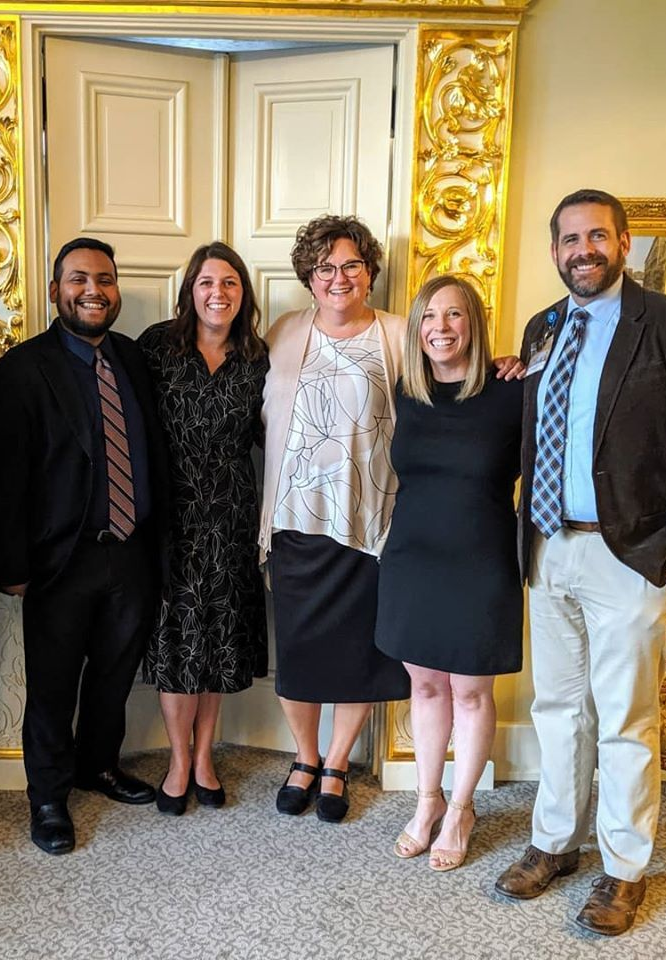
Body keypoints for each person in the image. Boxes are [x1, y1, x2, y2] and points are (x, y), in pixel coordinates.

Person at [494, 189, 666, 936]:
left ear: (624, 244)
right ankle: (555, 840)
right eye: (569, 239)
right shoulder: (543, 327)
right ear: (555, 251)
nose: (583, 250)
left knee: (626, 717)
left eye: (597, 236)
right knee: (558, 708)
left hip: (631, 553)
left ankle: (624, 868)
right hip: (548, 546)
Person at [259, 216, 521, 823]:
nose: (339, 277)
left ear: (370, 272)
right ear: (308, 276)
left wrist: (504, 362)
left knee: (357, 651)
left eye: (351, 265)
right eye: (325, 267)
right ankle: (304, 756)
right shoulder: (283, 331)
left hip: (370, 519)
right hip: (296, 515)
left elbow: (454, 383)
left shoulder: (401, 333)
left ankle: (338, 763)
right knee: (296, 650)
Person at [0, 237, 169, 855]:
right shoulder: (21, 369)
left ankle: (100, 766)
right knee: (53, 685)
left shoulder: (134, 359)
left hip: (132, 552)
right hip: (59, 560)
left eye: (105, 279)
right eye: (79, 279)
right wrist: (11, 565)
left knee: (114, 676)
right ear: (55, 290)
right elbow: (5, 479)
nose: (94, 290)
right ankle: (48, 798)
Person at [375, 275, 523, 870]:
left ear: (474, 323)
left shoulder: (513, 391)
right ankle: (427, 800)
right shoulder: (406, 392)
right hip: (413, 557)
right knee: (426, 686)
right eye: (430, 316)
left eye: (454, 314)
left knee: (471, 690)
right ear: (417, 328)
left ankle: (462, 808)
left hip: (482, 559)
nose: (441, 327)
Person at [137, 242, 269, 814]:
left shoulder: (259, 357)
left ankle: (205, 756)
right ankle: (177, 759)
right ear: (190, 290)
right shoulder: (156, 347)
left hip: (233, 516)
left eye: (230, 283)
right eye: (207, 282)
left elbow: (280, 429)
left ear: (243, 293)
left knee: (218, 638)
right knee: (177, 640)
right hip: (172, 517)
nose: (219, 293)